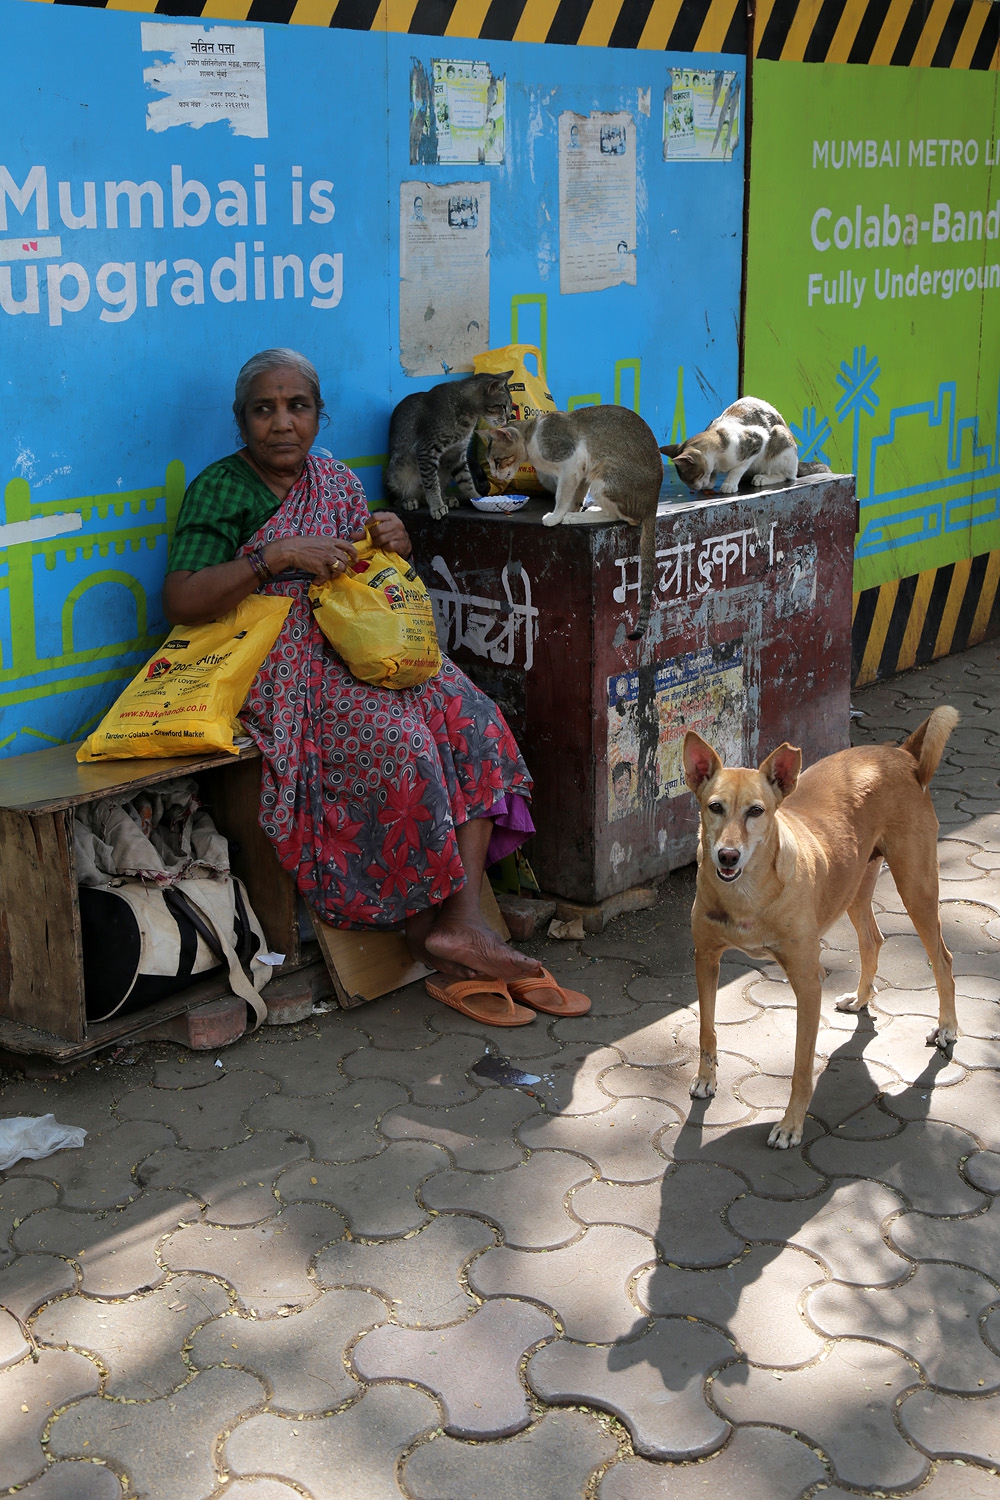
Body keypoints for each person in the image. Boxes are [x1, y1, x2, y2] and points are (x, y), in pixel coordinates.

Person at [163, 349, 589, 1026]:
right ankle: (424, 935)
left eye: (297, 406)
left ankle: (462, 922)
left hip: (363, 642)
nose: (282, 423)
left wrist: (397, 540)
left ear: (317, 414)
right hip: (278, 660)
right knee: (401, 742)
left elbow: (371, 569)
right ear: (240, 420)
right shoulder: (222, 489)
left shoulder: (331, 478)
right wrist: (272, 556)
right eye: (264, 409)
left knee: (475, 721)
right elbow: (182, 599)